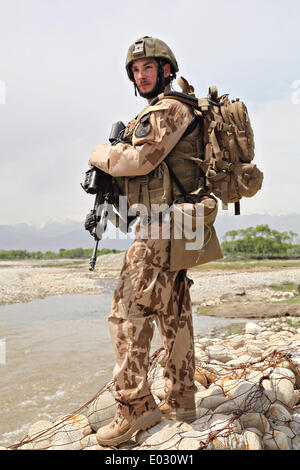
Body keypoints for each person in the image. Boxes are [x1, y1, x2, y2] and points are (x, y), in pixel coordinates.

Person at [88, 36, 223, 447]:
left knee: (126, 311)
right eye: (136, 70)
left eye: (148, 67)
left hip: (164, 225)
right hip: (181, 223)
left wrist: (99, 154)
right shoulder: (174, 108)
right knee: (174, 309)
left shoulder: (169, 108)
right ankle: (182, 399)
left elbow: (140, 161)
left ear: (166, 69)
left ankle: (135, 408)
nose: (141, 75)